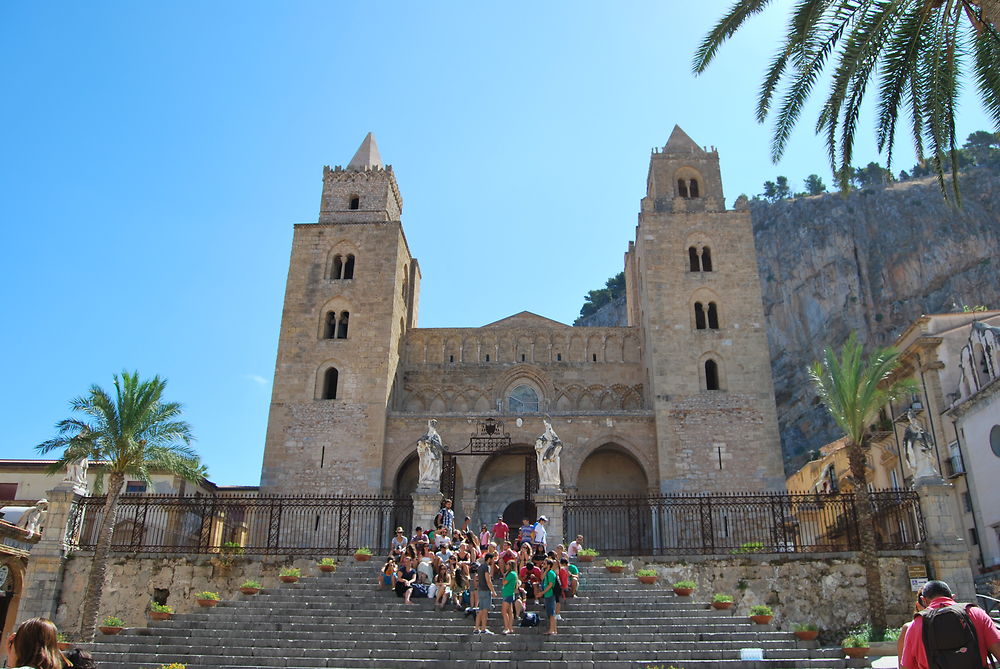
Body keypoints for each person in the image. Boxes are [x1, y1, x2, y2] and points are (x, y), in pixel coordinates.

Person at [900, 580, 1000, 669]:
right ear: (952, 597)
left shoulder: (916, 625)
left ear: (923, 600)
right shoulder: (976, 613)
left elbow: (907, 666)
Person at [473, 553, 498, 635]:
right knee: (485, 610)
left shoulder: (480, 567)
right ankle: (483, 628)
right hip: (486, 590)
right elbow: (488, 580)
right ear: (489, 559)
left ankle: (476, 628)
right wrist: (493, 591)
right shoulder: (486, 567)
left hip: (480, 590)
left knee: (480, 610)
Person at [538, 558, 559, 635]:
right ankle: (553, 629)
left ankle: (552, 630)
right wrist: (544, 570)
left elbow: (550, 585)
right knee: (550, 613)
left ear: (549, 565)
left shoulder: (550, 573)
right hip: (547, 595)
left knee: (551, 613)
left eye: (545, 563)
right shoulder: (547, 573)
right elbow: (542, 578)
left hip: (550, 594)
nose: (543, 564)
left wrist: (542, 592)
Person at [500, 558, 519, 635]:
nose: (506, 565)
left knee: (504, 611)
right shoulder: (514, 574)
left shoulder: (511, 574)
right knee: (510, 612)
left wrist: (504, 575)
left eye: (507, 564)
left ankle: (506, 627)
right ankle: (510, 627)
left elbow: (504, 582)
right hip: (509, 593)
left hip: (508, 594)